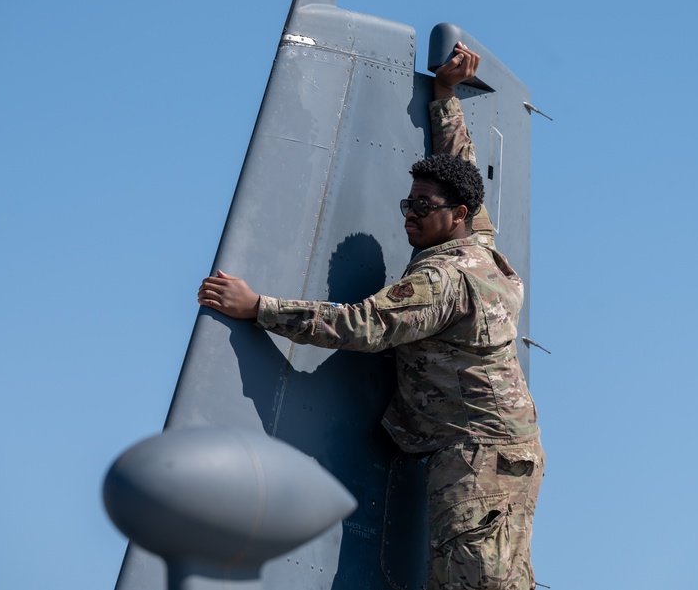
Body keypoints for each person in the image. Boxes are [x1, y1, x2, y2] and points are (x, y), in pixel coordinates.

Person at [198, 43, 544, 590]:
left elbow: (361, 326)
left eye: (422, 209)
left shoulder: (444, 280)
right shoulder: (475, 239)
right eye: (407, 205)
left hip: (477, 457)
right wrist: (444, 97)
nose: (410, 216)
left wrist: (259, 308)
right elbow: (464, 172)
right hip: (500, 454)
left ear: (453, 216)